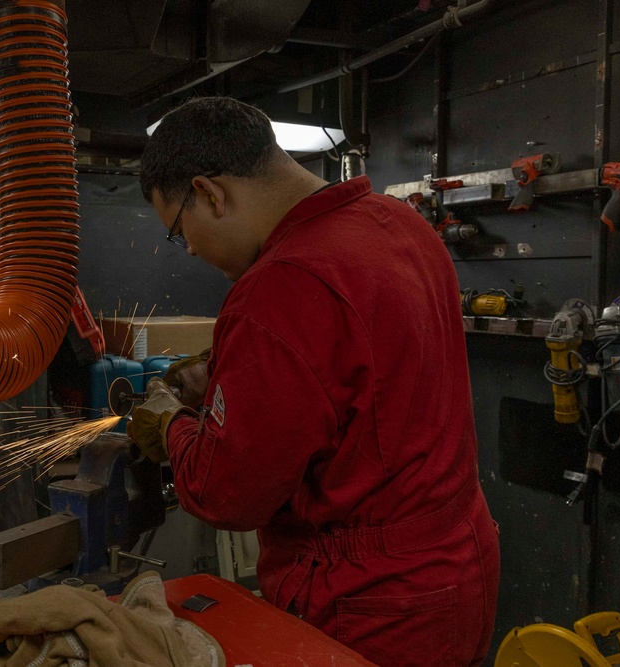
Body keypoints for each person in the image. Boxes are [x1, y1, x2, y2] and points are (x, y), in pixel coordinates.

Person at [127, 96, 500, 667]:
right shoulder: (398, 224)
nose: (193, 249)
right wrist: (236, 371)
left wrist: (170, 423)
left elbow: (230, 493)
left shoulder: (279, 288)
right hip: (457, 565)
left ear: (210, 193)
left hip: (369, 598)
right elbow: (367, 368)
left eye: (180, 231)